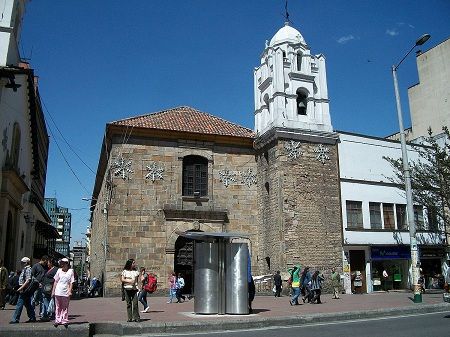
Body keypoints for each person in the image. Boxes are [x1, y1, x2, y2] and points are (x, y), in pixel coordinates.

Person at [10, 257, 36, 324]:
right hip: (24, 289)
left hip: (25, 289)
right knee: (27, 304)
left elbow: (28, 280)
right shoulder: (25, 269)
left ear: (26, 263)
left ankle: (15, 319)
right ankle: (32, 317)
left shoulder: (28, 269)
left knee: (19, 304)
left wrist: (21, 288)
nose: (22, 264)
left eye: (23, 262)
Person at [52, 258, 75, 328]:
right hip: (58, 291)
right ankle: (57, 320)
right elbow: (55, 281)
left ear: (67, 264)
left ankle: (64, 320)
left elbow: (71, 282)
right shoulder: (59, 271)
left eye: (63, 263)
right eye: (61, 263)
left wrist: (70, 291)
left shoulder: (71, 271)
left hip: (66, 291)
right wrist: (53, 291)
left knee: (65, 307)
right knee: (58, 306)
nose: (62, 264)